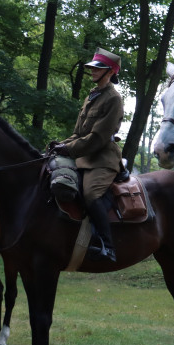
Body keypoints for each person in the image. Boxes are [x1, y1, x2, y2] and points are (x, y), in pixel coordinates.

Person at [50, 48, 125, 262]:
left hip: (103, 160)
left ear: (110, 72)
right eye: (92, 67)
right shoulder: (92, 95)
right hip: (84, 158)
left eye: (97, 68)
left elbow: (98, 137)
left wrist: (70, 149)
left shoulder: (113, 98)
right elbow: (78, 133)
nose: (92, 71)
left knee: (91, 194)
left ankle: (107, 246)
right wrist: (60, 145)